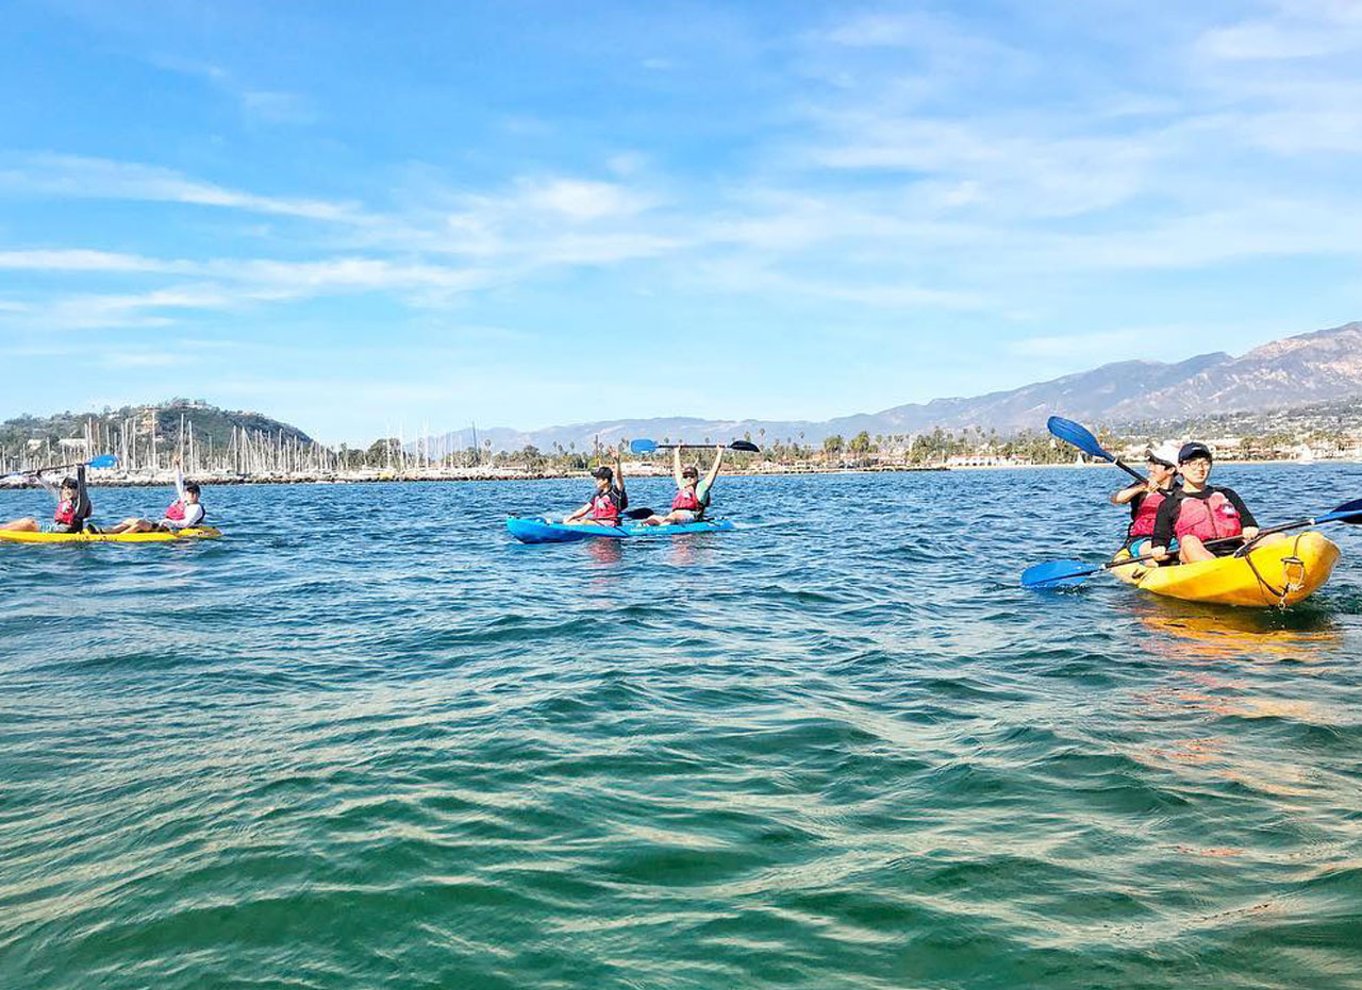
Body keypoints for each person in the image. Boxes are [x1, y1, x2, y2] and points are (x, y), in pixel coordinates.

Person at [1149, 442, 1264, 564]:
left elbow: (1249, 522)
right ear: (1180, 467)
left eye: (1205, 463)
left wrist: (1250, 528)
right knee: (1188, 541)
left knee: (1277, 538)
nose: (1200, 469)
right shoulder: (1170, 503)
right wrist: (1159, 549)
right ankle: (1220, 571)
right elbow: (1160, 539)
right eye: (1193, 463)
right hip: (1197, 553)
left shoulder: (1227, 494)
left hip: (1236, 550)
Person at [1110, 443, 1179, 556]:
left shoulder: (1179, 492)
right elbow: (1116, 499)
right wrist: (1142, 487)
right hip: (1142, 540)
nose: (1149, 468)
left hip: (1170, 539)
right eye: (1150, 463)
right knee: (1153, 550)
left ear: (1171, 469)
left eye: (1155, 464)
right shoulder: (1141, 487)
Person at [105, 460, 206, 534]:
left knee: (139, 524)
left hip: (173, 529)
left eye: (195, 494)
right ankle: (104, 532)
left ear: (199, 495)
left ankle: (118, 538)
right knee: (130, 520)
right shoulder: (185, 500)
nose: (193, 496)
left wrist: (169, 522)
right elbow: (179, 483)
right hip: (166, 524)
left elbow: (186, 523)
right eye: (190, 493)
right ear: (186, 494)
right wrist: (177, 467)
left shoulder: (196, 508)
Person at [642, 445, 724, 526]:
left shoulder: (701, 487)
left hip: (691, 515)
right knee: (652, 517)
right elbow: (677, 470)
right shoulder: (683, 485)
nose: (688, 478)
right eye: (686, 476)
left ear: (697, 476)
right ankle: (644, 528)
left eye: (691, 475)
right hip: (675, 515)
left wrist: (720, 452)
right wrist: (676, 451)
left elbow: (714, 470)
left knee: (674, 516)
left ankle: (663, 528)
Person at [0, 466, 92, 533]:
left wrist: (81, 471)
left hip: (64, 532)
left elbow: (83, 490)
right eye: (65, 488)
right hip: (54, 528)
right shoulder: (64, 500)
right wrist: (38, 476)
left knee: (29, 523)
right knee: (27, 520)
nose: (67, 490)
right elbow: (50, 488)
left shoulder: (81, 505)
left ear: (77, 490)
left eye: (71, 488)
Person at [564, 452, 627, 526]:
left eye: (598, 479)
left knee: (584, 522)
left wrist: (617, 462)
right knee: (568, 520)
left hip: (611, 526)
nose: (595, 481)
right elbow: (584, 509)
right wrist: (571, 517)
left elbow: (618, 478)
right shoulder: (598, 494)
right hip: (597, 524)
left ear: (605, 480)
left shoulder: (615, 493)